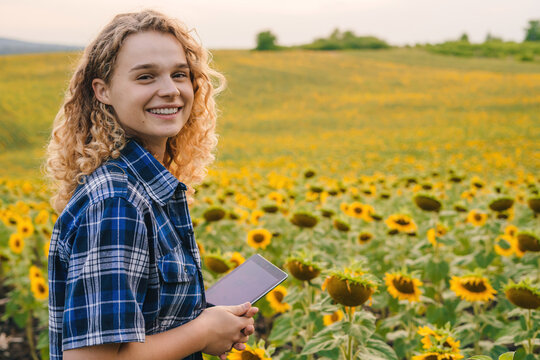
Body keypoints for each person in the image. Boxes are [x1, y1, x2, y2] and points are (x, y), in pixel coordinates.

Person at [46, 9, 257, 360]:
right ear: (103, 91)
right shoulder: (118, 201)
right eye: (146, 77)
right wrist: (203, 331)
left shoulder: (147, 188)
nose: (170, 90)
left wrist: (211, 321)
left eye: (180, 74)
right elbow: (92, 359)